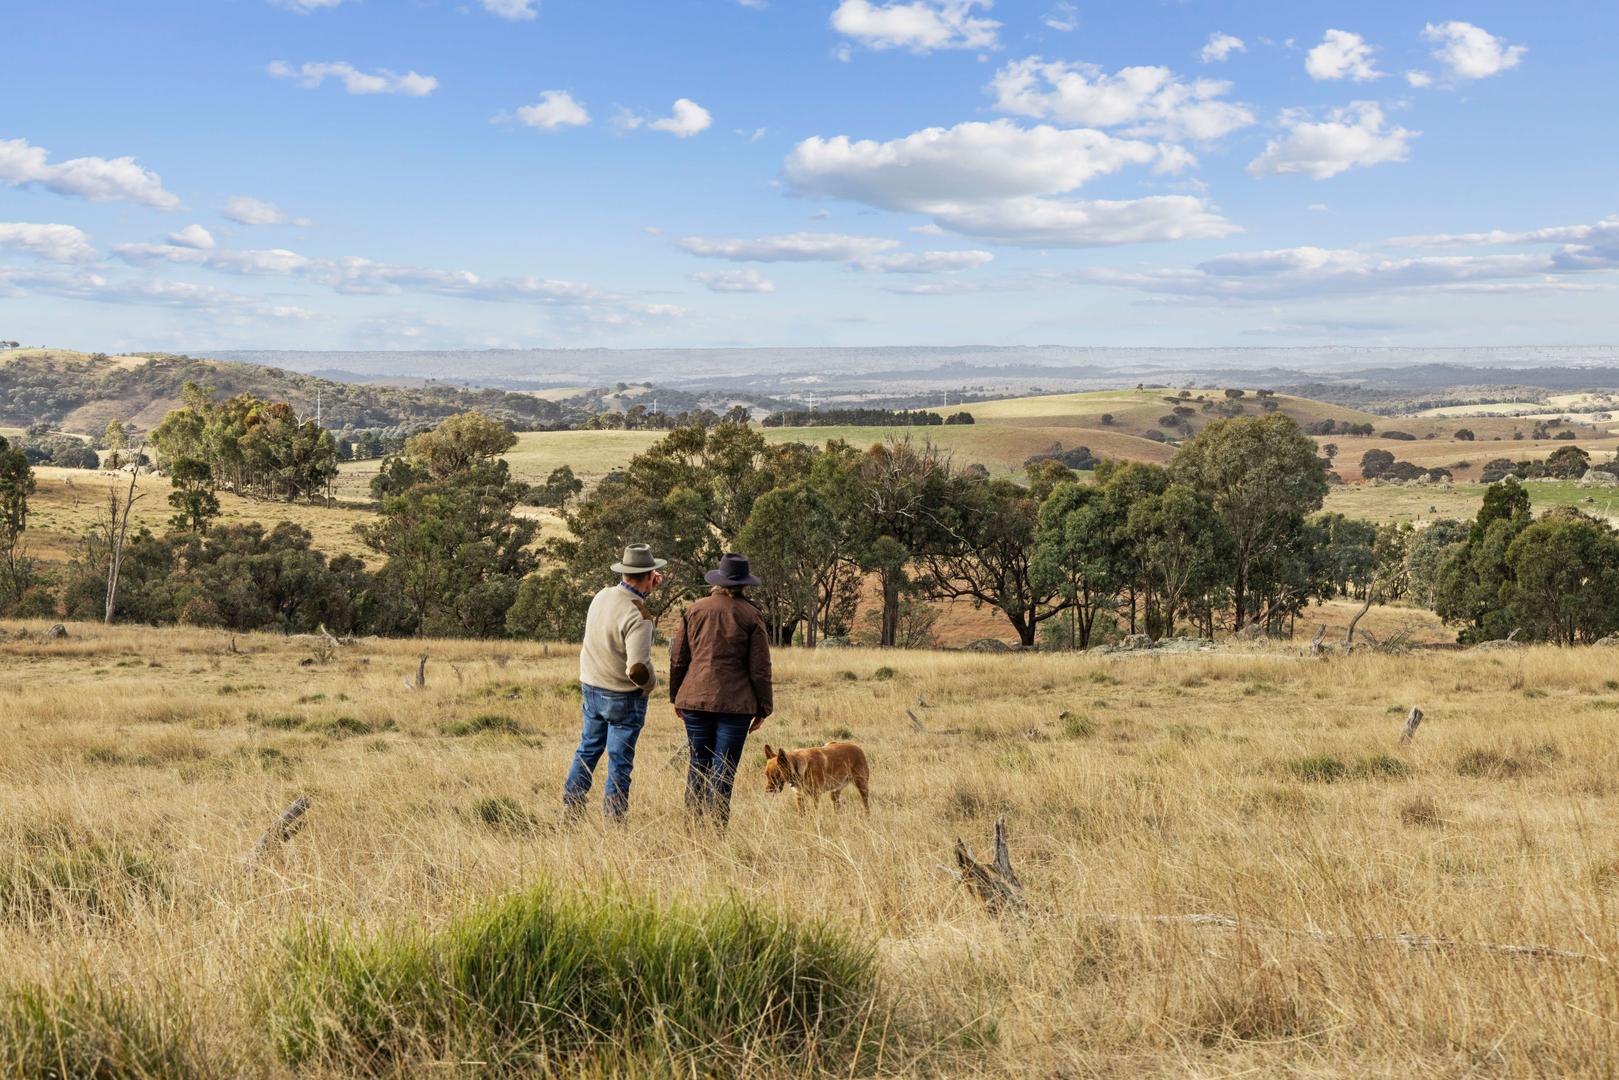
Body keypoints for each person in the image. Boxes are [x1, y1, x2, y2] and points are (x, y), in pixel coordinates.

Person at [669, 552, 773, 827]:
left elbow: (678, 658)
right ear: (744, 585)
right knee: (724, 770)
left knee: (698, 764)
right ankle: (717, 830)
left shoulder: (694, 610)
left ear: (718, 581)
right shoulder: (751, 615)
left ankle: (692, 826)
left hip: (695, 700)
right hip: (736, 705)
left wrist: (676, 696)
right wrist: (764, 708)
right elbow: (760, 668)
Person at [564, 543, 664, 821]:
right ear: (648, 576)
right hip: (622, 696)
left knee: (588, 749)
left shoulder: (602, 595)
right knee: (619, 762)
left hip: (591, 687)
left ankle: (571, 807)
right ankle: (614, 820)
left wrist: (646, 588)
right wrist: (650, 686)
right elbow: (638, 669)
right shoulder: (639, 615)